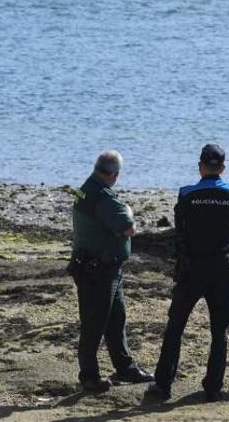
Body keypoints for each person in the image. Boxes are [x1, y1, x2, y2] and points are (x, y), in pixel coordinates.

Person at [145, 144, 229, 402]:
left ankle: (163, 384)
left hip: (193, 267)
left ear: (200, 166)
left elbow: (181, 230)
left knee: (176, 326)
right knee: (219, 330)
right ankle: (213, 387)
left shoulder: (187, 194)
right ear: (222, 168)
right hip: (222, 267)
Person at [69, 150, 153, 393]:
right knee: (94, 324)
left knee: (116, 320)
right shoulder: (102, 195)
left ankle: (125, 367)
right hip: (98, 270)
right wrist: (128, 211)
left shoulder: (86, 188)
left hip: (101, 267)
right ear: (115, 175)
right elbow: (128, 227)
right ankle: (89, 376)